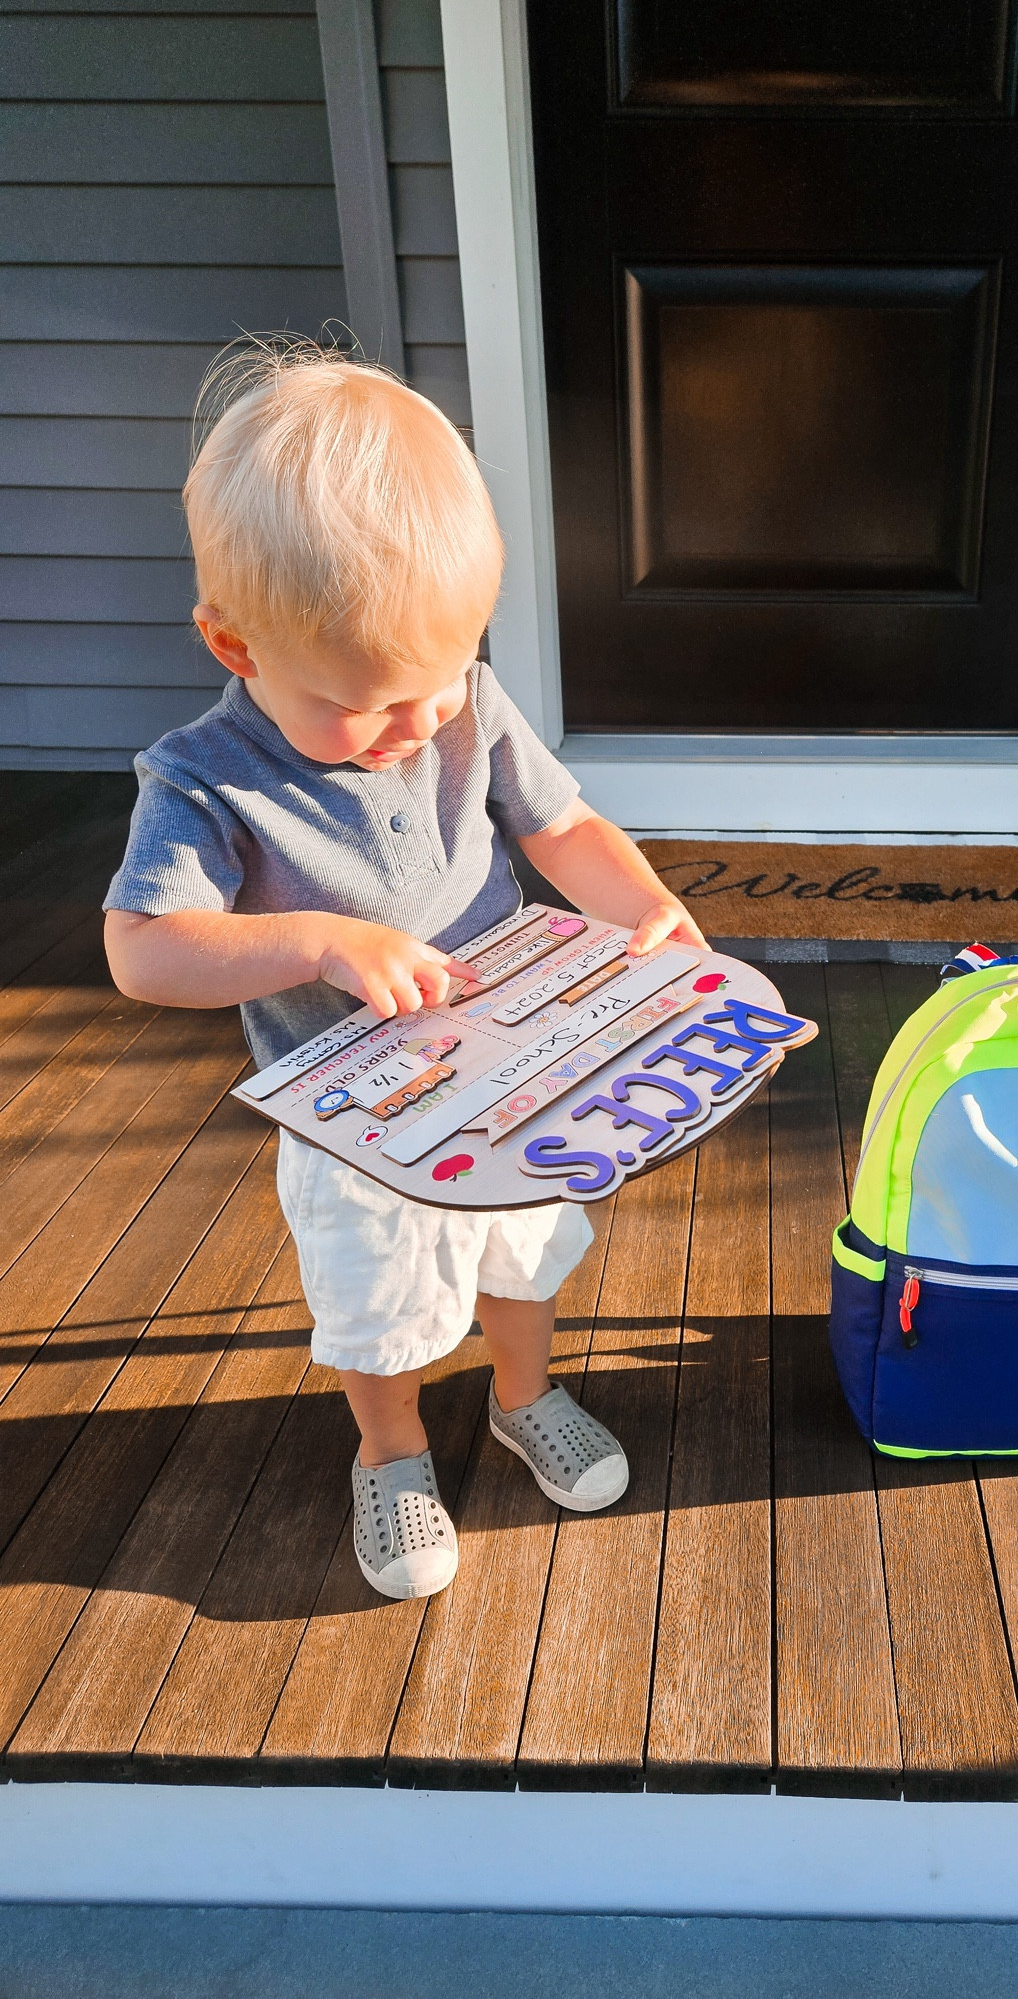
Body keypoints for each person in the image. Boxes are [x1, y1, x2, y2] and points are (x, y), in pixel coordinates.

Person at [103, 342, 706, 1602]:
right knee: (376, 1306)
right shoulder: (205, 778)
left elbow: (562, 829)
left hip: (510, 1070)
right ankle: (391, 1450)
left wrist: (646, 906)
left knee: (523, 1255)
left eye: (440, 681)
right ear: (235, 644)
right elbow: (143, 949)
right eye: (371, 703)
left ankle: (524, 1397)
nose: (417, 725)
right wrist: (323, 941)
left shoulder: (460, 700)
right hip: (356, 1121)